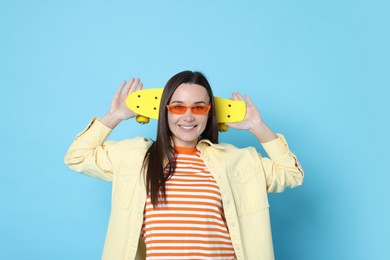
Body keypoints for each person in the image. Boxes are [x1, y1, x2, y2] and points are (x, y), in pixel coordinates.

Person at [64, 70, 304, 260]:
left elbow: (291, 174)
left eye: (199, 107)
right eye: (178, 106)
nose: (188, 116)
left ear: (209, 113)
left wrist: (257, 127)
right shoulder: (136, 157)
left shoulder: (236, 161)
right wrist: (114, 115)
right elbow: (78, 156)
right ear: (165, 111)